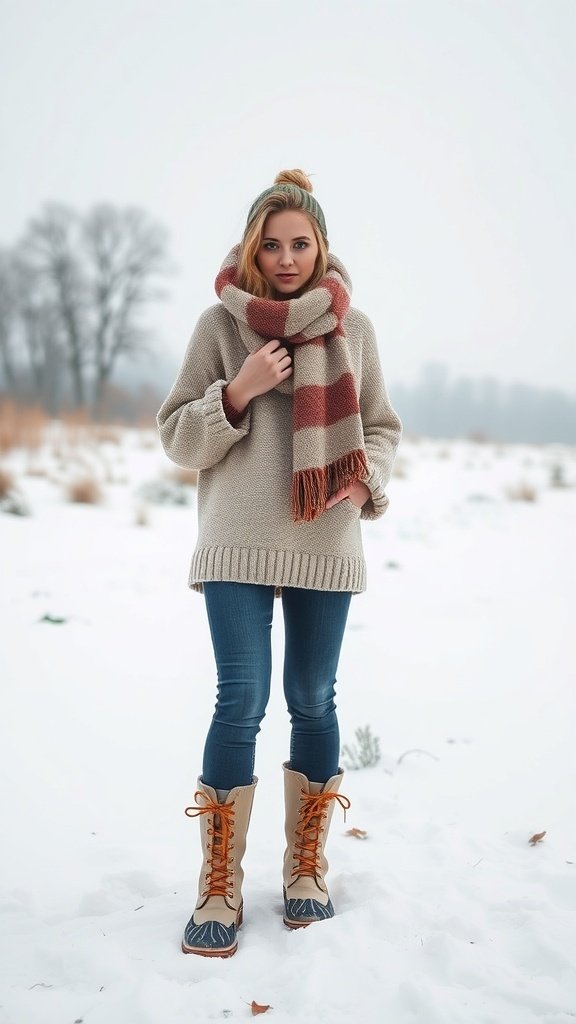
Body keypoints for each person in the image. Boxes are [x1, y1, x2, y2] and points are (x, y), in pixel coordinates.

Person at [157, 169, 402, 958]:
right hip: (235, 536)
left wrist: (369, 474)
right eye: (274, 244)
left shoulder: (353, 329)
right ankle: (219, 884)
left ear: (321, 247)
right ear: (253, 247)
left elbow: (383, 428)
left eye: (302, 244)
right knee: (242, 697)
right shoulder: (219, 327)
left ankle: (305, 870)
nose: (288, 258)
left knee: (312, 696)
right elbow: (176, 437)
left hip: (325, 536)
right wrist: (237, 393)